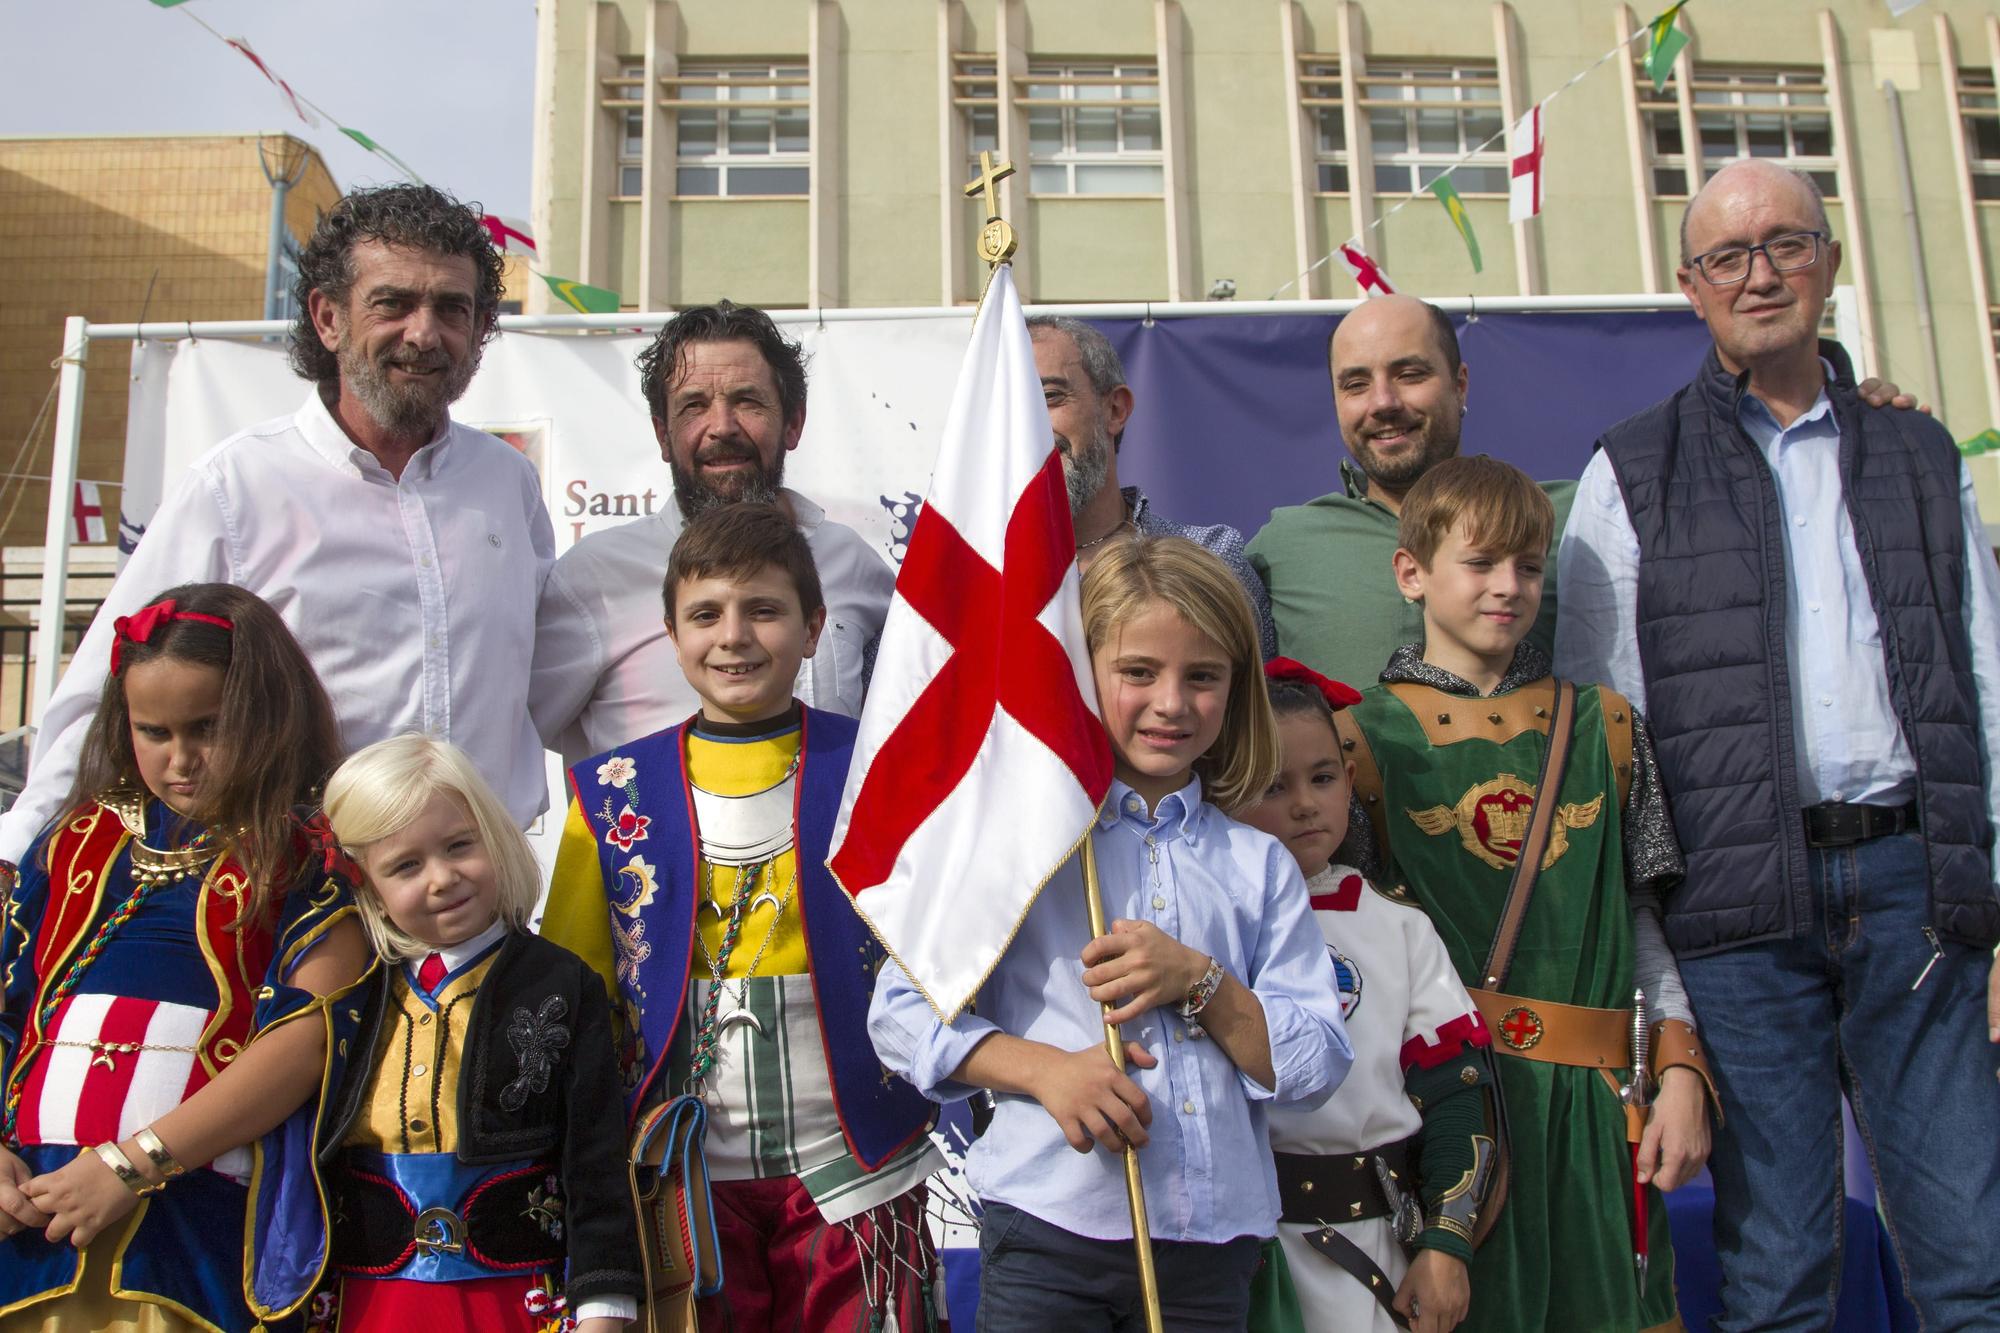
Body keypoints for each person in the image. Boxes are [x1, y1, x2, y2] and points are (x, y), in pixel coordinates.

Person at [1557, 157, 2000, 1330]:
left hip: (1916, 895)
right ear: (1690, 287)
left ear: (1829, 262)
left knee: (1969, 1258)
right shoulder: (1626, 471)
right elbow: (1605, 737)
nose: (1759, 275)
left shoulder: (1917, 453)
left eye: (1784, 244)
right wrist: (1658, 980)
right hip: (1735, 914)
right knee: (1777, 1273)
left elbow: (1987, 683)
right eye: (1726, 257)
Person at [870, 534, 1351, 1332]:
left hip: (1209, 1251)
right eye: (1138, 672)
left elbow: (1314, 1064)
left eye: (1203, 676)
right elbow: (901, 1011)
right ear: (1080, 671)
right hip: (1049, 1231)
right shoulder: (1020, 844)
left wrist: (1201, 981)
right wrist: (1049, 1072)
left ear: (1236, 689)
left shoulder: (1257, 863)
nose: (1172, 702)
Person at [0, 183, 555, 868]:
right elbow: (107, 689)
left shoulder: (508, 483)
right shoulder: (237, 486)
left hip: (479, 901)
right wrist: (18, 849)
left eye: (452, 307)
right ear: (328, 317)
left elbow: (546, 674)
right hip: (304, 906)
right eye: (393, 302)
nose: (424, 332)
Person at [541, 503, 939, 1331]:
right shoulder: (612, 791)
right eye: (706, 614)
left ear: (815, 625)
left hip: (856, 1164)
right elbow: (575, 989)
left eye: (764, 609)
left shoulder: (875, 768)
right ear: (669, 631)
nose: (735, 636)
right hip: (684, 1179)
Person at [1340, 457, 1713, 1333]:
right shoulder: (1359, 741)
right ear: (1411, 572)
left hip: (1593, 1113)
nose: (1509, 588)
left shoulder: (1608, 728)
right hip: (1448, 1115)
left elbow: (1640, 923)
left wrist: (1681, 1064)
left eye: (1530, 567)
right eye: (1481, 564)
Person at [0, 583, 372, 1332]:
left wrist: (132, 1163)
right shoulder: (74, 839)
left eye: (207, 727)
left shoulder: (316, 851)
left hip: (199, 1233)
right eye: (154, 731)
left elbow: (308, 1041)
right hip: (32, 1230)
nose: (180, 759)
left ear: (270, 710)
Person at [1248, 295, 1925, 688]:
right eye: (1356, 383)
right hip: (1355, 901)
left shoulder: (1576, 514)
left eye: (1410, 373)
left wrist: (1841, 416)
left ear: (1461, 384)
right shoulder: (1283, 546)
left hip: (1538, 874)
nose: (1384, 402)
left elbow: (1745, 507)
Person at [319, 735, 641, 1333]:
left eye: (460, 846)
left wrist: (603, 1305)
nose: (442, 878)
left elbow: (594, 1159)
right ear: (366, 885)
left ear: (494, 837)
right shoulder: (351, 989)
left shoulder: (562, 983)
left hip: (517, 1299)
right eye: (406, 866)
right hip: (369, 1302)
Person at [1239, 657, 1495, 1333]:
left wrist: (1446, 1242)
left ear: (1350, 782)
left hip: (1372, 1252)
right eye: (1272, 784)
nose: (1303, 803)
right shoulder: (1204, 928)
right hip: (1239, 1258)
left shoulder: (1398, 926)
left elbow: (1457, 1091)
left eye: (1322, 778)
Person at [532, 302, 895, 765]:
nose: (722, 427)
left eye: (747, 401)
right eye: (694, 406)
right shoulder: (592, 578)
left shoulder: (851, 562)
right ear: (663, 435)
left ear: (793, 423)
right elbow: (509, 739)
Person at [1028, 315, 1277, 658]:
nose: (1025, 425)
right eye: (1007, 407)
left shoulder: (1210, 559)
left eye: (1049, 396)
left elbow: (1259, 708)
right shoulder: (963, 580)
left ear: (1115, 409)